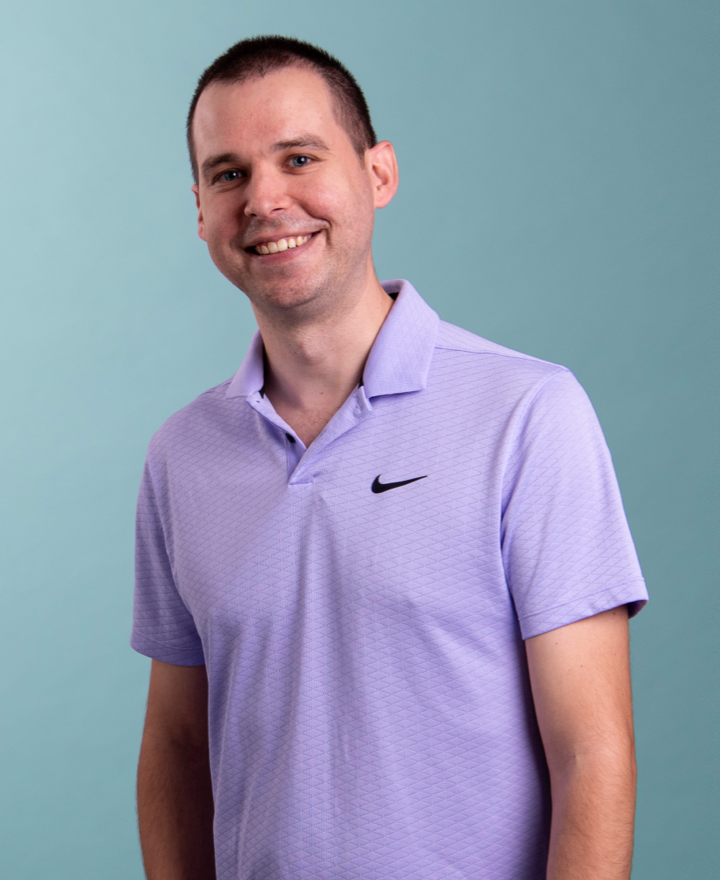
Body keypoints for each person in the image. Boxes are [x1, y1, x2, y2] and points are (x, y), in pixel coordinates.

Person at [131, 35, 648, 880]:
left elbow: (592, 753)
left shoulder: (528, 414)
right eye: (228, 174)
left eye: (299, 158)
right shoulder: (180, 455)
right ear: (200, 209)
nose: (265, 199)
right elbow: (179, 744)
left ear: (379, 173)